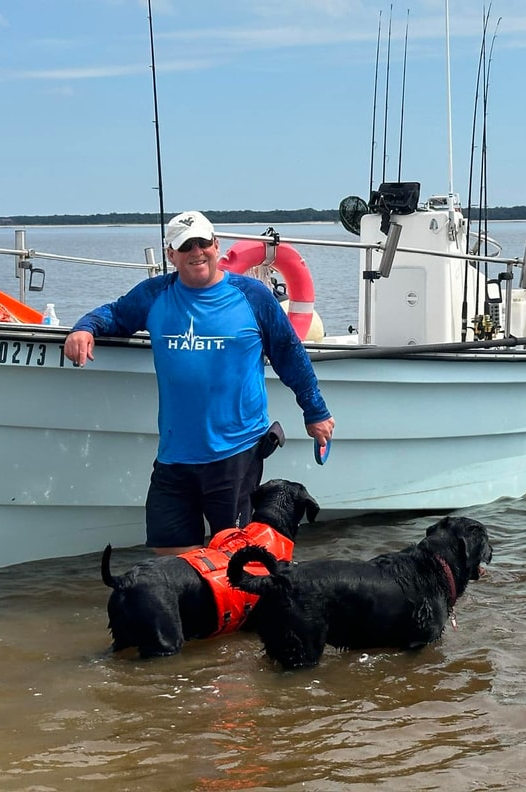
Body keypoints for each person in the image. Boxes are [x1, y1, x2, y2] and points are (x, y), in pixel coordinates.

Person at [64, 210, 334, 555]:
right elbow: (114, 314)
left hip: (235, 453)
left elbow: (289, 354)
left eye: (203, 243)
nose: (196, 252)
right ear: (170, 255)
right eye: (185, 246)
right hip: (174, 457)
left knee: (233, 562)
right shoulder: (155, 294)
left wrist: (315, 411)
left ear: (216, 246)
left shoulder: (252, 296)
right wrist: (85, 327)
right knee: (172, 560)